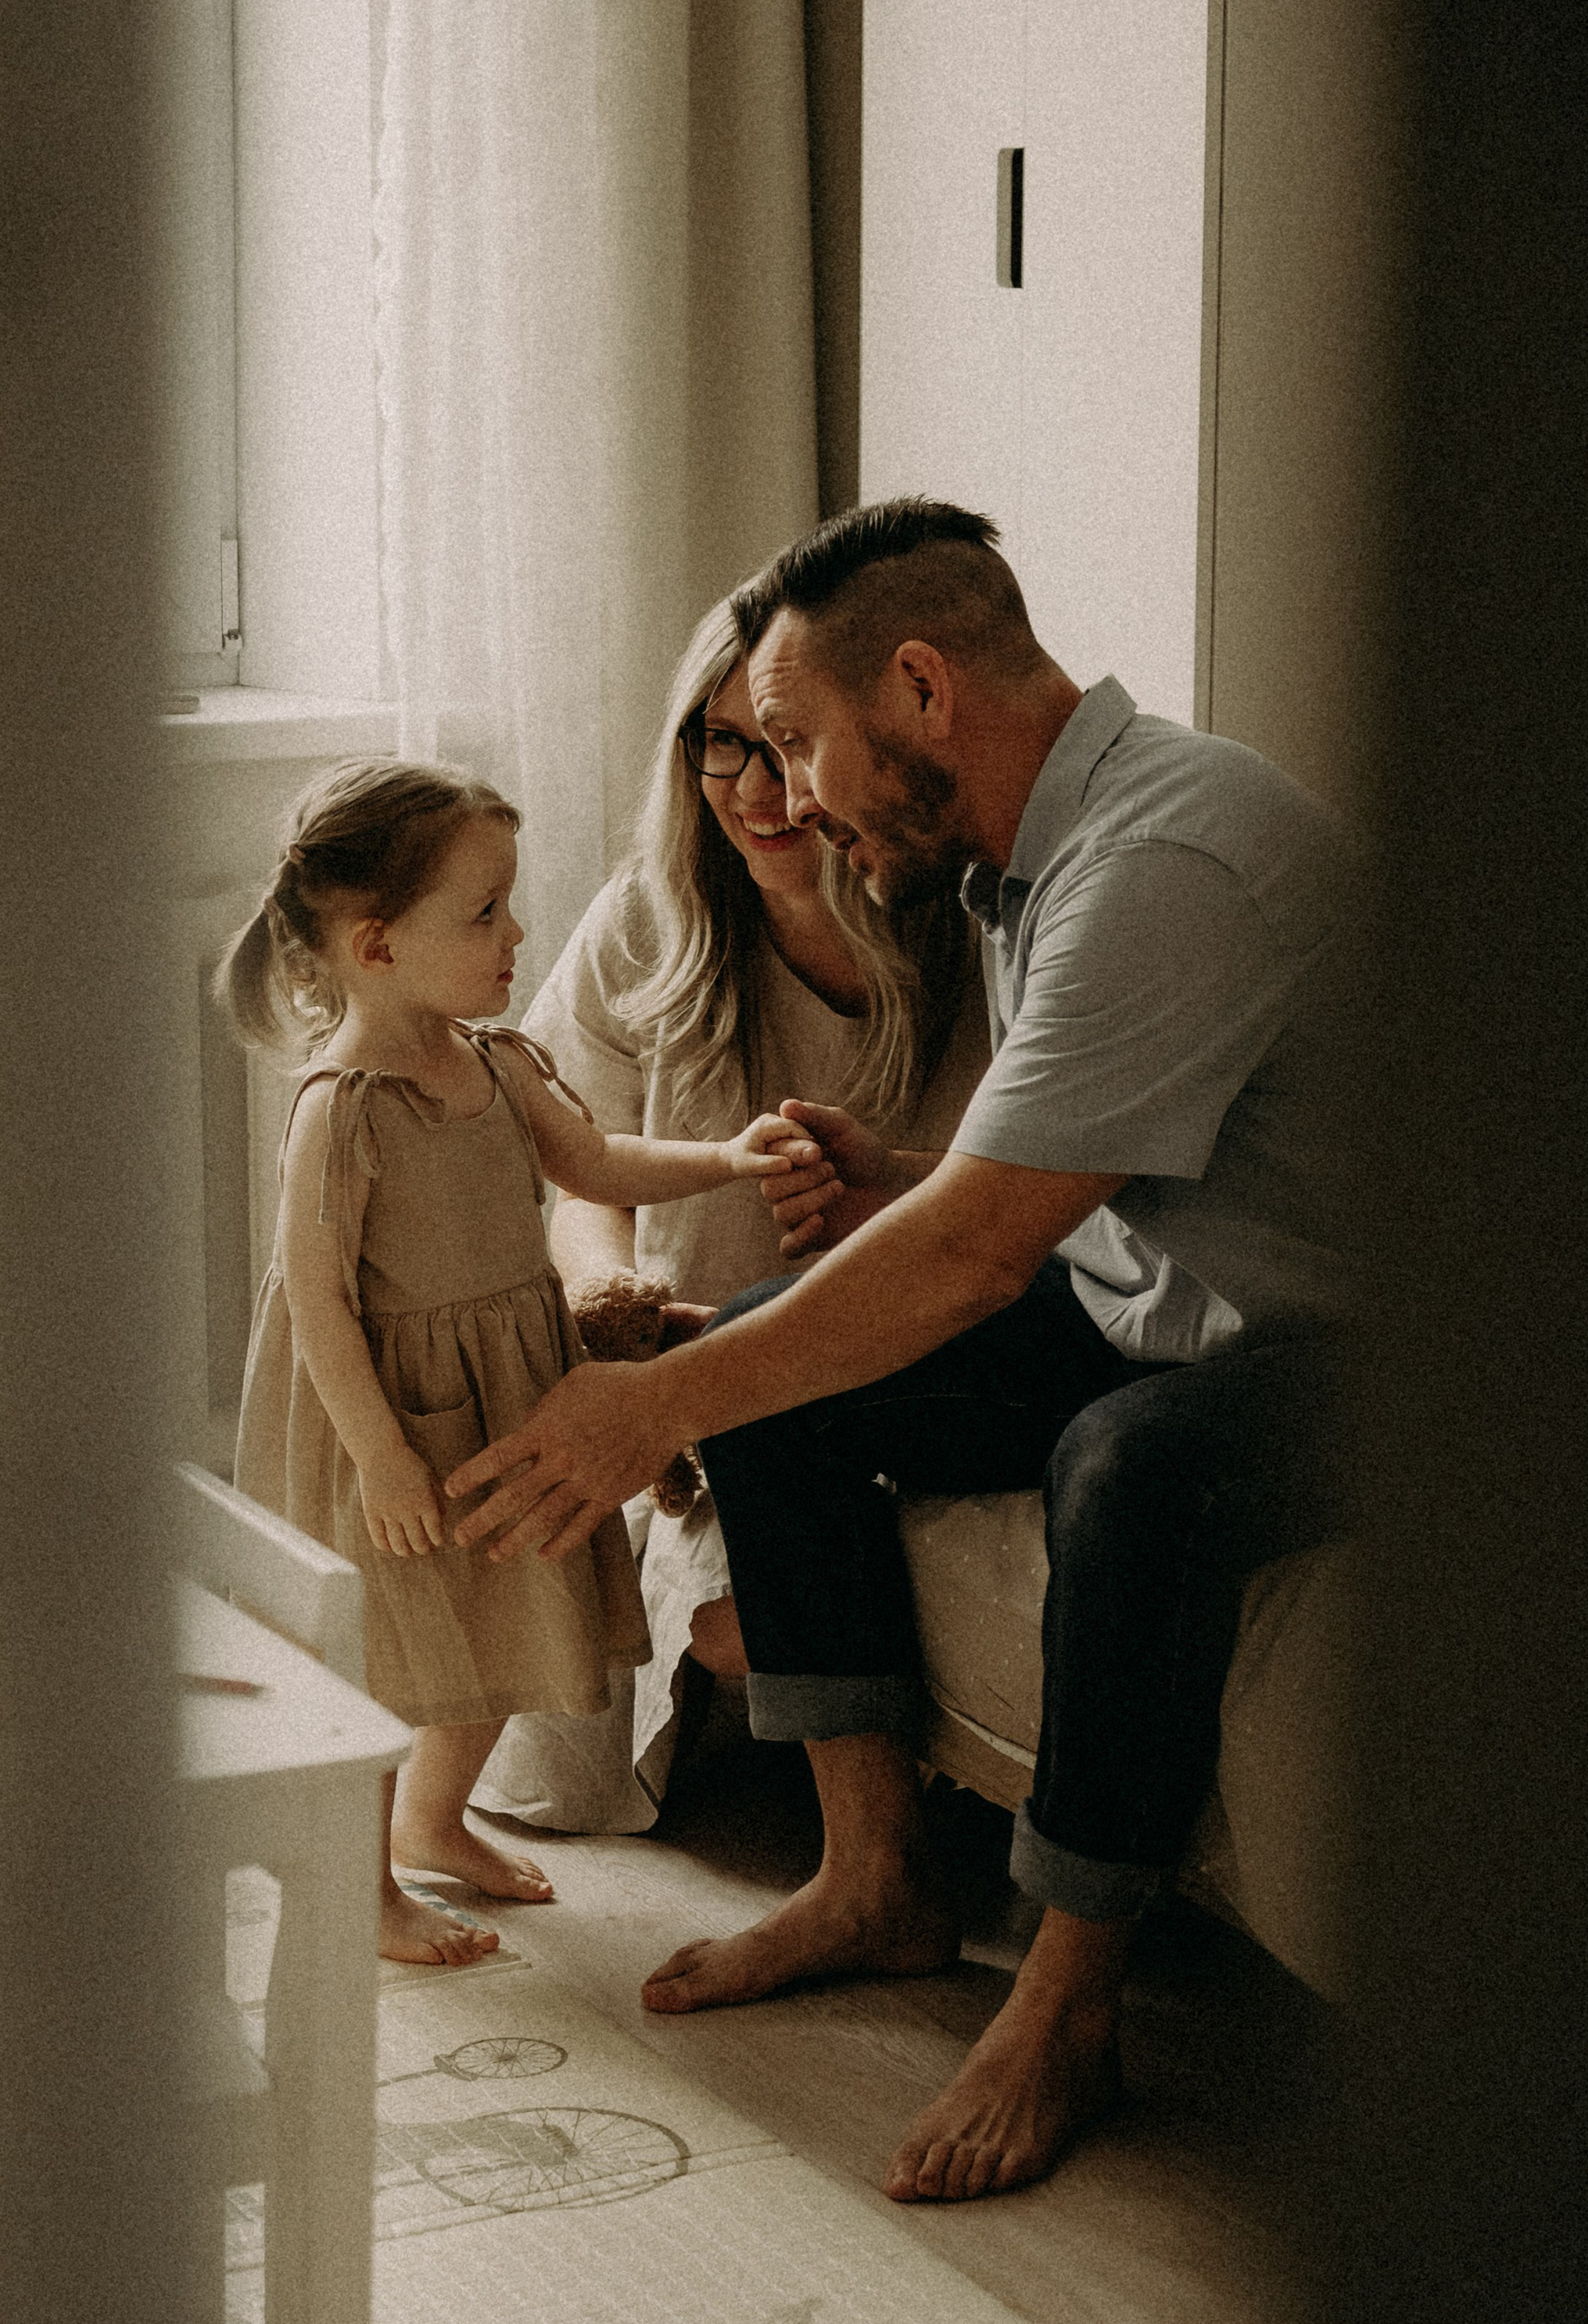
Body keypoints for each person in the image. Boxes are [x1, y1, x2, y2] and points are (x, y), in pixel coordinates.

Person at [445, 497, 1364, 2188]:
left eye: (797, 740)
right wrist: (911, 1180)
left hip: (1364, 1339)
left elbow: (970, 1263)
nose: (785, 794)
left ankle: (1069, 1998)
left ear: (923, 691)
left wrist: (643, 1405)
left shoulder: (1161, 858)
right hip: (1167, 1296)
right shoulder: (1035, 856)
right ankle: (873, 1877)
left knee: (1123, 1465)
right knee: (772, 1362)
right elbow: (1080, 1172)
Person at [215, 756, 821, 1966]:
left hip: (501, 1393)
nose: (517, 931)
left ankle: (437, 1821)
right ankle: (361, 1879)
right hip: (385, 1417)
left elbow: (597, 1166)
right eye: (483, 912)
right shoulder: (343, 1106)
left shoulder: (497, 1064)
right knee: (395, 1652)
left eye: (509, 904)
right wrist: (381, 1458)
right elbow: (325, 1305)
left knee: (497, 1616)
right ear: (378, 947)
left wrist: (728, 1161)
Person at [475, 596, 988, 1838]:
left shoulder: (964, 925)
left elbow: (992, 1222)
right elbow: (568, 1173)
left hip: (866, 1362)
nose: (758, 790)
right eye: (722, 748)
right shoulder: (652, 917)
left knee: (743, 1621)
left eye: (786, 747)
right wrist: (620, 1313)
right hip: (681, 1374)